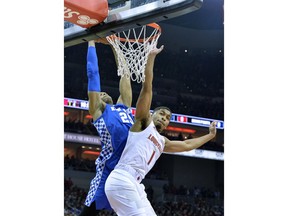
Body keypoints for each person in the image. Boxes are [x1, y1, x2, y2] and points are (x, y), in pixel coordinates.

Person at [104, 44, 217, 216]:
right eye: (161, 114)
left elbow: (187, 145)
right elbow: (147, 87)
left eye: (167, 118)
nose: (164, 118)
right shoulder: (143, 122)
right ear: (152, 114)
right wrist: (151, 58)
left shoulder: (163, 142)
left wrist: (210, 135)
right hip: (122, 179)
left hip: (135, 185)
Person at [79, 39, 134, 215]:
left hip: (126, 172)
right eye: (100, 94)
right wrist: (91, 42)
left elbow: (125, 74)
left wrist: (114, 45)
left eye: (103, 92)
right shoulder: (99, 111)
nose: (102, 93)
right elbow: (93, 74)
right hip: (107, 171)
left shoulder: (123, 106)